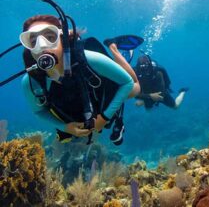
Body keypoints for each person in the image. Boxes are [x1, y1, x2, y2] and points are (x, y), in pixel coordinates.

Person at [21, 14, 140, 145]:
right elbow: (39, 111)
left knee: (135, 88)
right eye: (33, 42)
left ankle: (113, 48)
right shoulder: (31, 81)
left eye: (50, 37)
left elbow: (127, 82)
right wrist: (65, 127)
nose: (42, 46)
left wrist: (105, 117)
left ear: (63, 38)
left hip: (103, 92)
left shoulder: (91, 59)